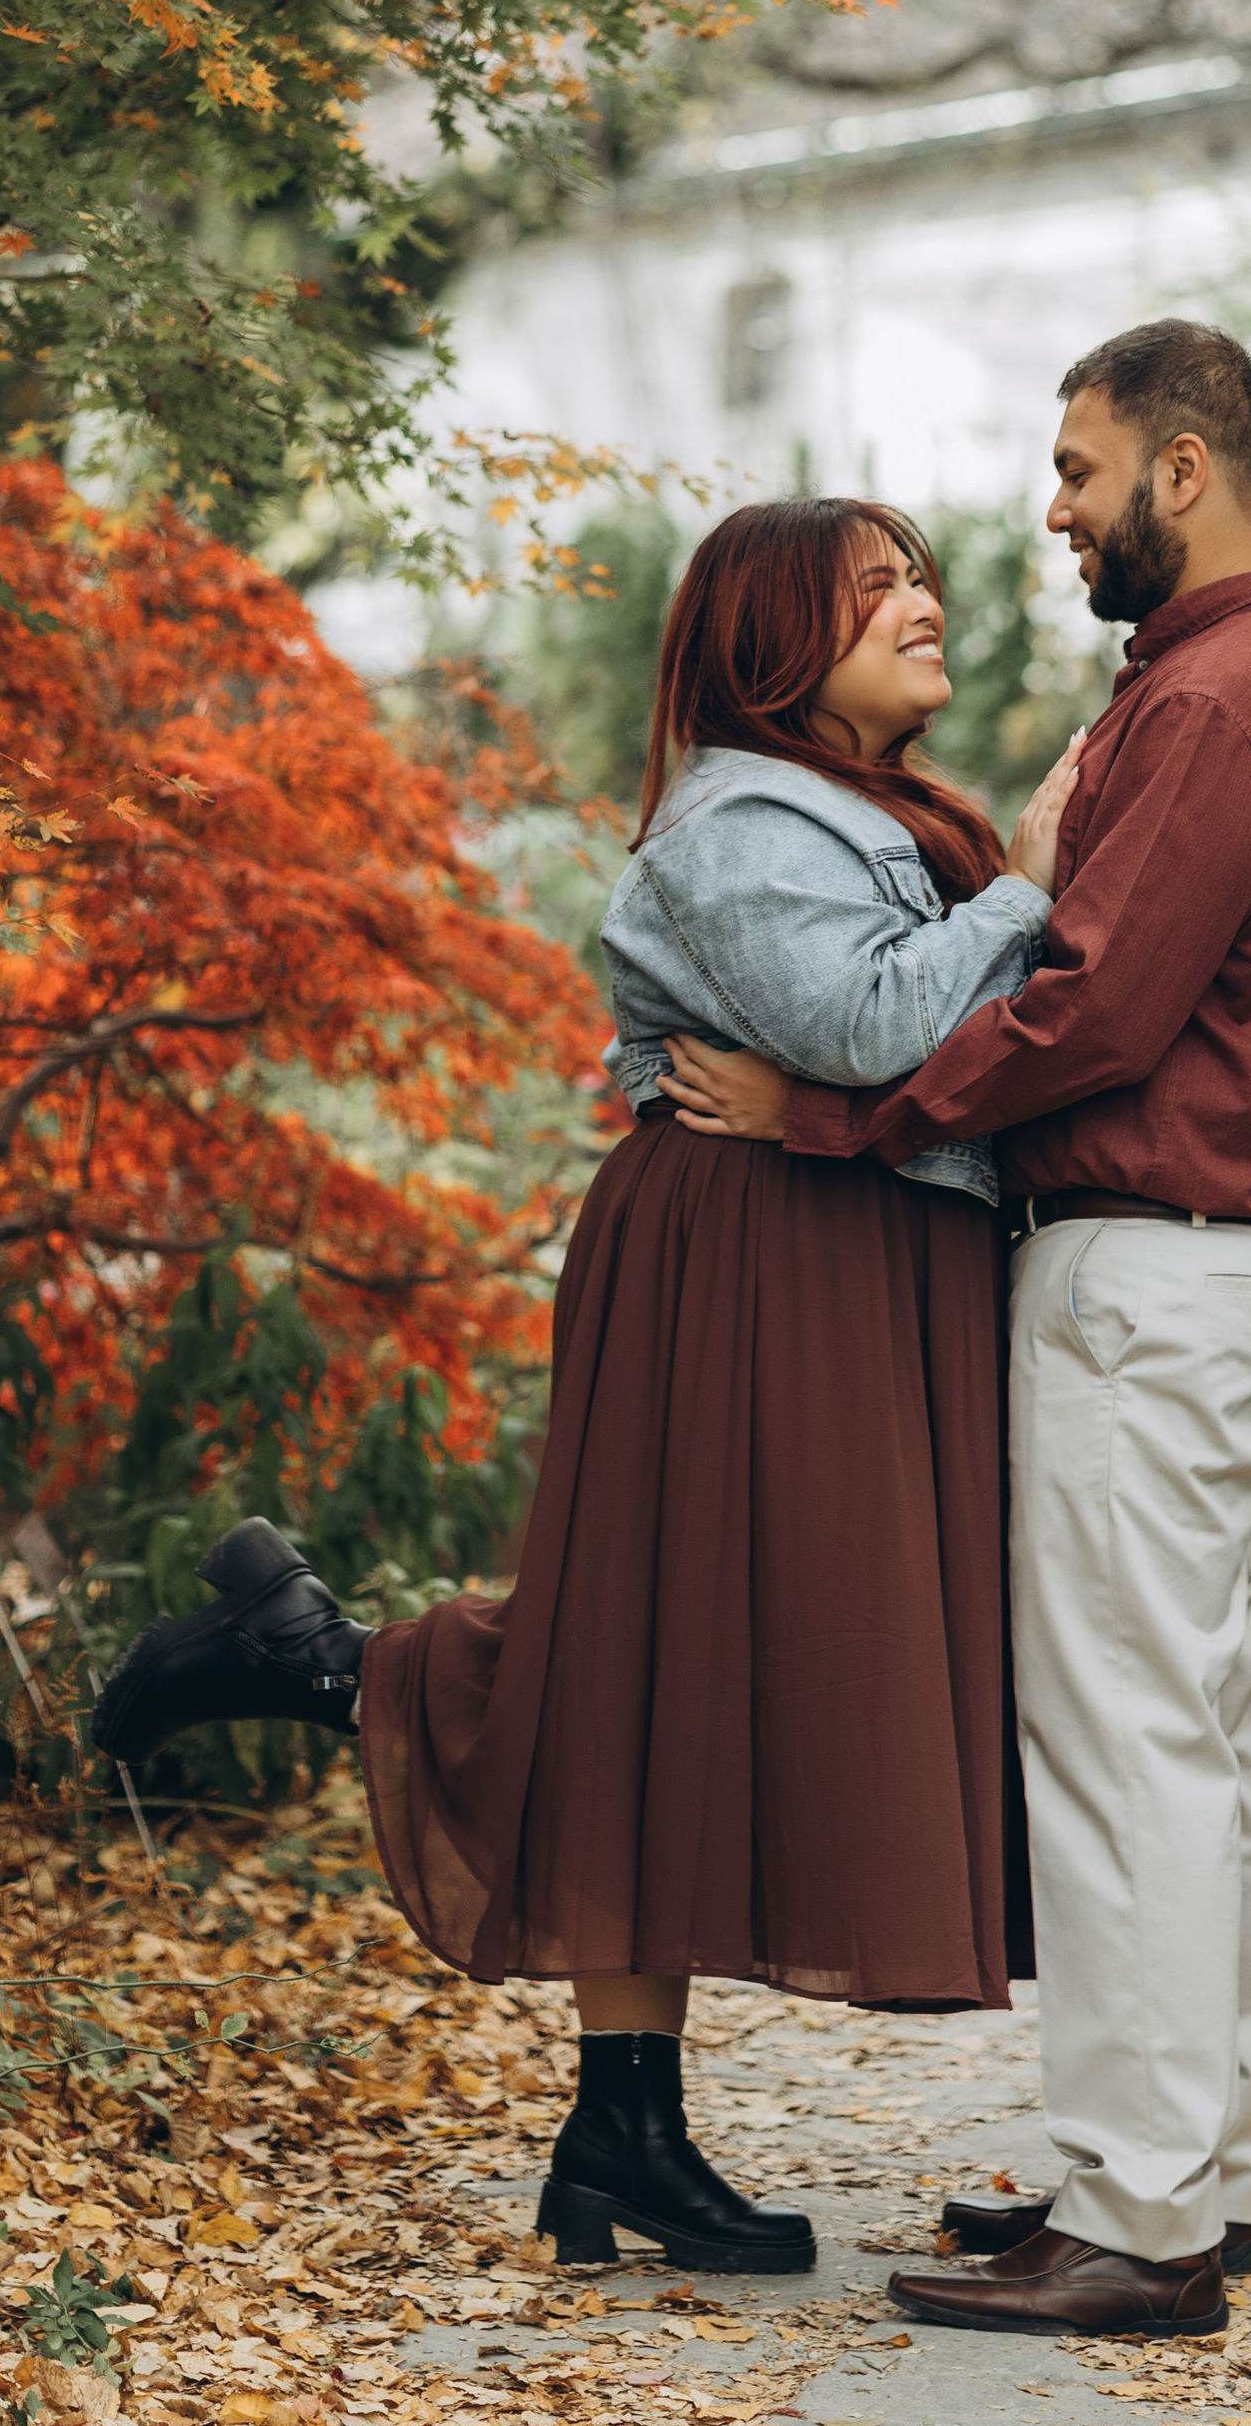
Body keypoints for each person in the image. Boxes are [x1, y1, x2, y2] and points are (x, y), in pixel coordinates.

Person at [92, 499, 1083, 2279]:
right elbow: (869, 1028)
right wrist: (1034, 886)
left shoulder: (874, 811)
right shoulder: (739, 819)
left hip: (840, 1248)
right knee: (652, 1651)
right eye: (880, 588)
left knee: (678, 1669)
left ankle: (619, 2127)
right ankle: (317, 1667)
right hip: (752, 1254)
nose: (927, 604)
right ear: (776, 640)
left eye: (921, 574)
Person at [663, 317, 1251, 2341]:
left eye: (1074, 470)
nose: (1045, 510)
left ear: (1176, 467)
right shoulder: (1230, 681)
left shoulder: (1228, 697)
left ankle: (1141, 2223)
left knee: (1124, 1735)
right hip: (1198, 1261)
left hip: (1156, 1260)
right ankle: (1166, 2171)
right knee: (1186, 1734)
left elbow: (1082, 1009)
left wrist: (827, 1116)